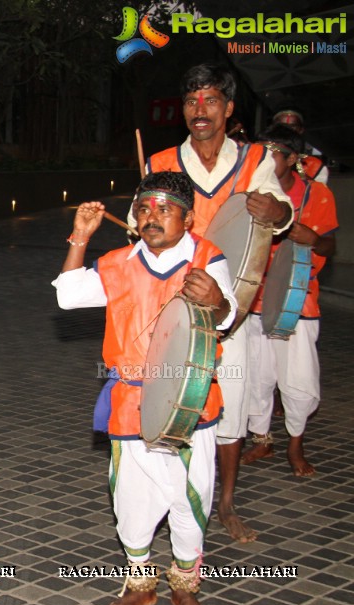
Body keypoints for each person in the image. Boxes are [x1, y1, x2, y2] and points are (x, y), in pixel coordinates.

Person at [56, 172, 236, 605]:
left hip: (189, 401)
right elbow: (69, 296)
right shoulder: (117, 262)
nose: (151, 217)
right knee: (131, 501)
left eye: (164, 208)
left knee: (190, 500)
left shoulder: (207, 258)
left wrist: (215, 300)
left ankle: (184, 587)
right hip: (131, 402)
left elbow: (225, 316)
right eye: (143, 209)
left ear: (188, 217)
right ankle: (141, 583)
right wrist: (80, 236)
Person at [141, 63, 292, 544]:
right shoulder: (161, 160)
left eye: (209, 100)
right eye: (191, 101)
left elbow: (282, 211)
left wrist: (277, 211)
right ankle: (170, 500)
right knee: (170, 403)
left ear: (228, 108)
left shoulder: (255, 159)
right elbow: (141, 226)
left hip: (232, 310)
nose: (199, 110)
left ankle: (224, 504)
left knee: (229, 408)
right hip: (173, 306)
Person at [242, 123, 338, 476]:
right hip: (253, 299)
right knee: (257, 377)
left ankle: (295, 445)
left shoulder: (318, 196)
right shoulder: (250, 194)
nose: (264, 161)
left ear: (294, 158)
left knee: (298, 381)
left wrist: (312, 238)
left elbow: (330, 246)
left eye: (272, 153)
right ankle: (262, 440)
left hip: (299, 301)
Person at [272, 108, 328, 185]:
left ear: (301, 130)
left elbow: (318, 194)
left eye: (292, 126)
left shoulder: (315, 166)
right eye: (281, 126)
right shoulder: (259, 156)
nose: (286, 131)